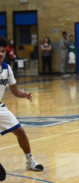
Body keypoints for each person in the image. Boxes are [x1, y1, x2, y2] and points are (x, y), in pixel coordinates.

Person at [0, 38, 44, 171]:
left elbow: (14, 91)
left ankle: (30, 161)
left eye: (2, 51)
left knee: (20, 131)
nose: (0, 54)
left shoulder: (7, 69)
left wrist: (23, 94)